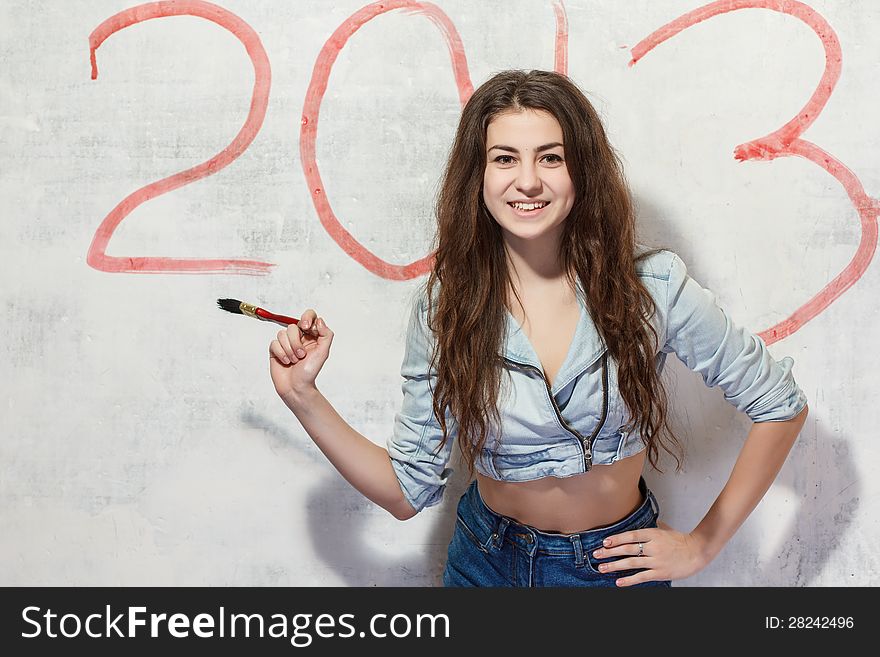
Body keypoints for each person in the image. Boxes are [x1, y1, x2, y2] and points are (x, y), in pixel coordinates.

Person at [268, 69, 809, 587]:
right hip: (484, 565)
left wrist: (703, 545)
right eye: (505, 158)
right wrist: (303, 396)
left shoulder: (655, 289)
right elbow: (407, 492)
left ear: (583, 172)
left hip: (613, 570)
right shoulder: (445, 309)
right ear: (478, 176)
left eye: (550, 157)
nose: (527, 180)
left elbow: (780, 403)